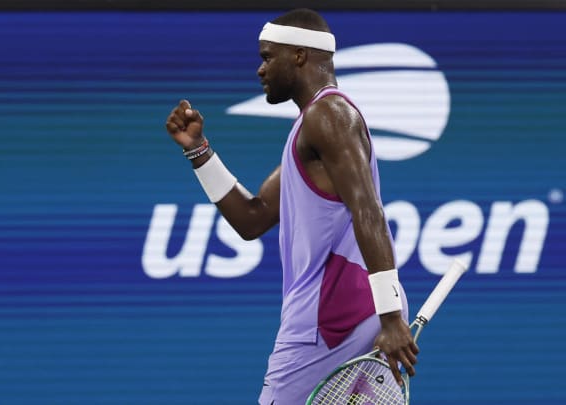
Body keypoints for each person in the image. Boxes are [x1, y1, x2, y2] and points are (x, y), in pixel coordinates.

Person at [165, 8, 419, 404]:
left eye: (268, 57)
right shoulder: (312, 129)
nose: (260, 70)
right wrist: (199, 151)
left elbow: (368, 210)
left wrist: (390, 317)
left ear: (299, 55)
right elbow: (252, 218)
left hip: (331, 316)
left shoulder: (329, 115)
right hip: (354, 310)